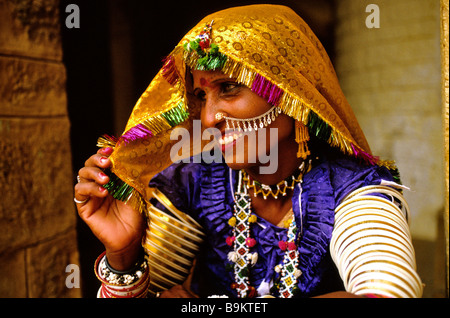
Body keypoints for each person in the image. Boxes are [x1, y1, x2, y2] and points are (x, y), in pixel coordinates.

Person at [74, 4, 423, 298]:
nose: (209, 118)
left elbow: (390, 292)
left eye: (228, 88)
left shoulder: (349, 186)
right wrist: (124, 256)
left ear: (290, 91)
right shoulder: (197, 182)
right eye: (201, 97)